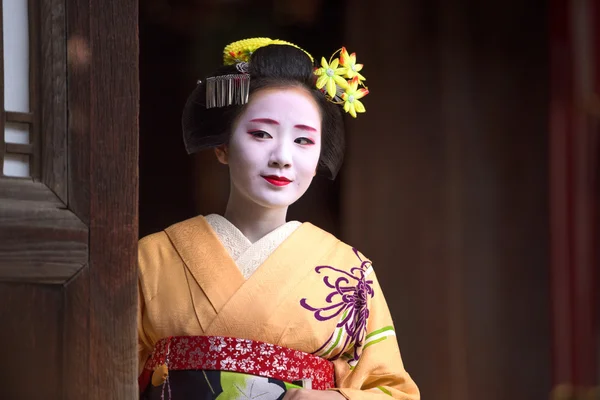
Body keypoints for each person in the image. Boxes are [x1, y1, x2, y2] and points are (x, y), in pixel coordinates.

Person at [138, 38, 419, 400]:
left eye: (303, 140)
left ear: (320, 156)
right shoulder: (152, 258)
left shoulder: (351, 271)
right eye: (261, 134)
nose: (283, 157)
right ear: (222, 145)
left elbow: (393, 391)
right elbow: (103, 373)